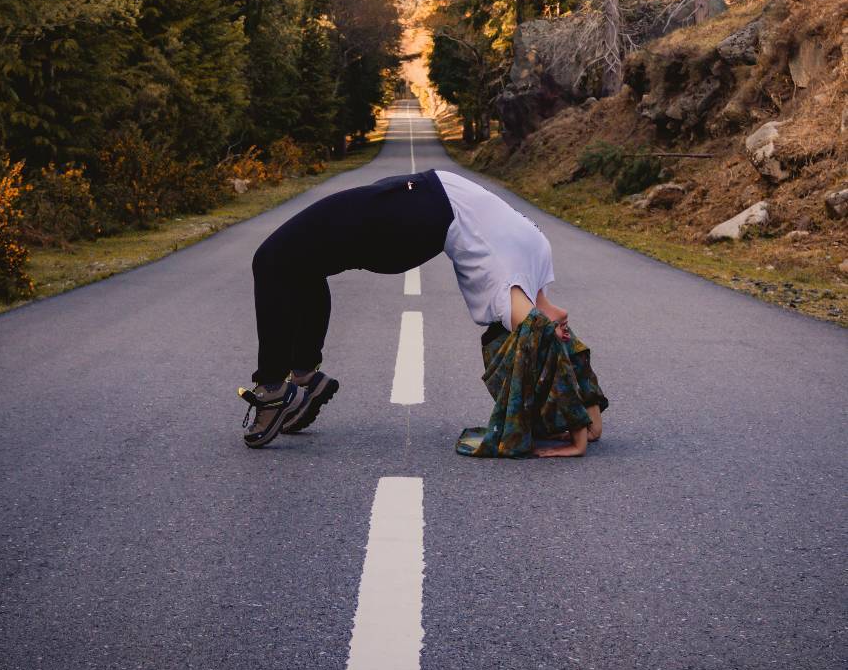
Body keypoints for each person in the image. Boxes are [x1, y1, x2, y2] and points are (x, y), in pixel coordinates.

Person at [239, 168, 607, 457]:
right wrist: (588, 424)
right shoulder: (526, 268)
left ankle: (273, 388)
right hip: (423, 204)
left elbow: (539, 331)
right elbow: (551, 325)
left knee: (271, 258)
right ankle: (304, 378)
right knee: (302, 261)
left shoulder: (508, 278)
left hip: (423, 207)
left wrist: (577, 437)